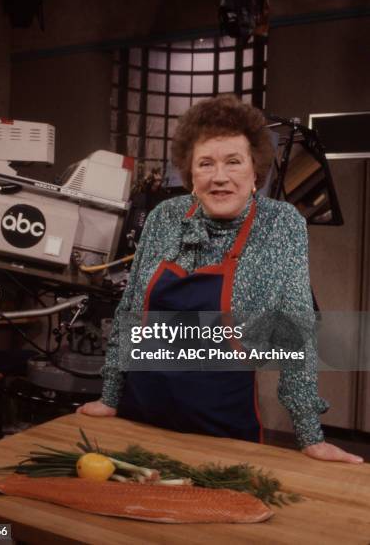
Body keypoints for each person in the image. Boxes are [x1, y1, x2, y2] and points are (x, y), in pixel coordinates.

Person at [77, 94, 363, 464]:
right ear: (190, 172)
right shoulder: (166, 217)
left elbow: (297, 330)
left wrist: (309, 435)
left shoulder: (280, 224)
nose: (220, 177)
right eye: (206, 164)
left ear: (255, 169)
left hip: (222, 430)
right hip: (140, 417)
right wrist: (110, 397)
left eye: (233, 161)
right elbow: (130, 309)